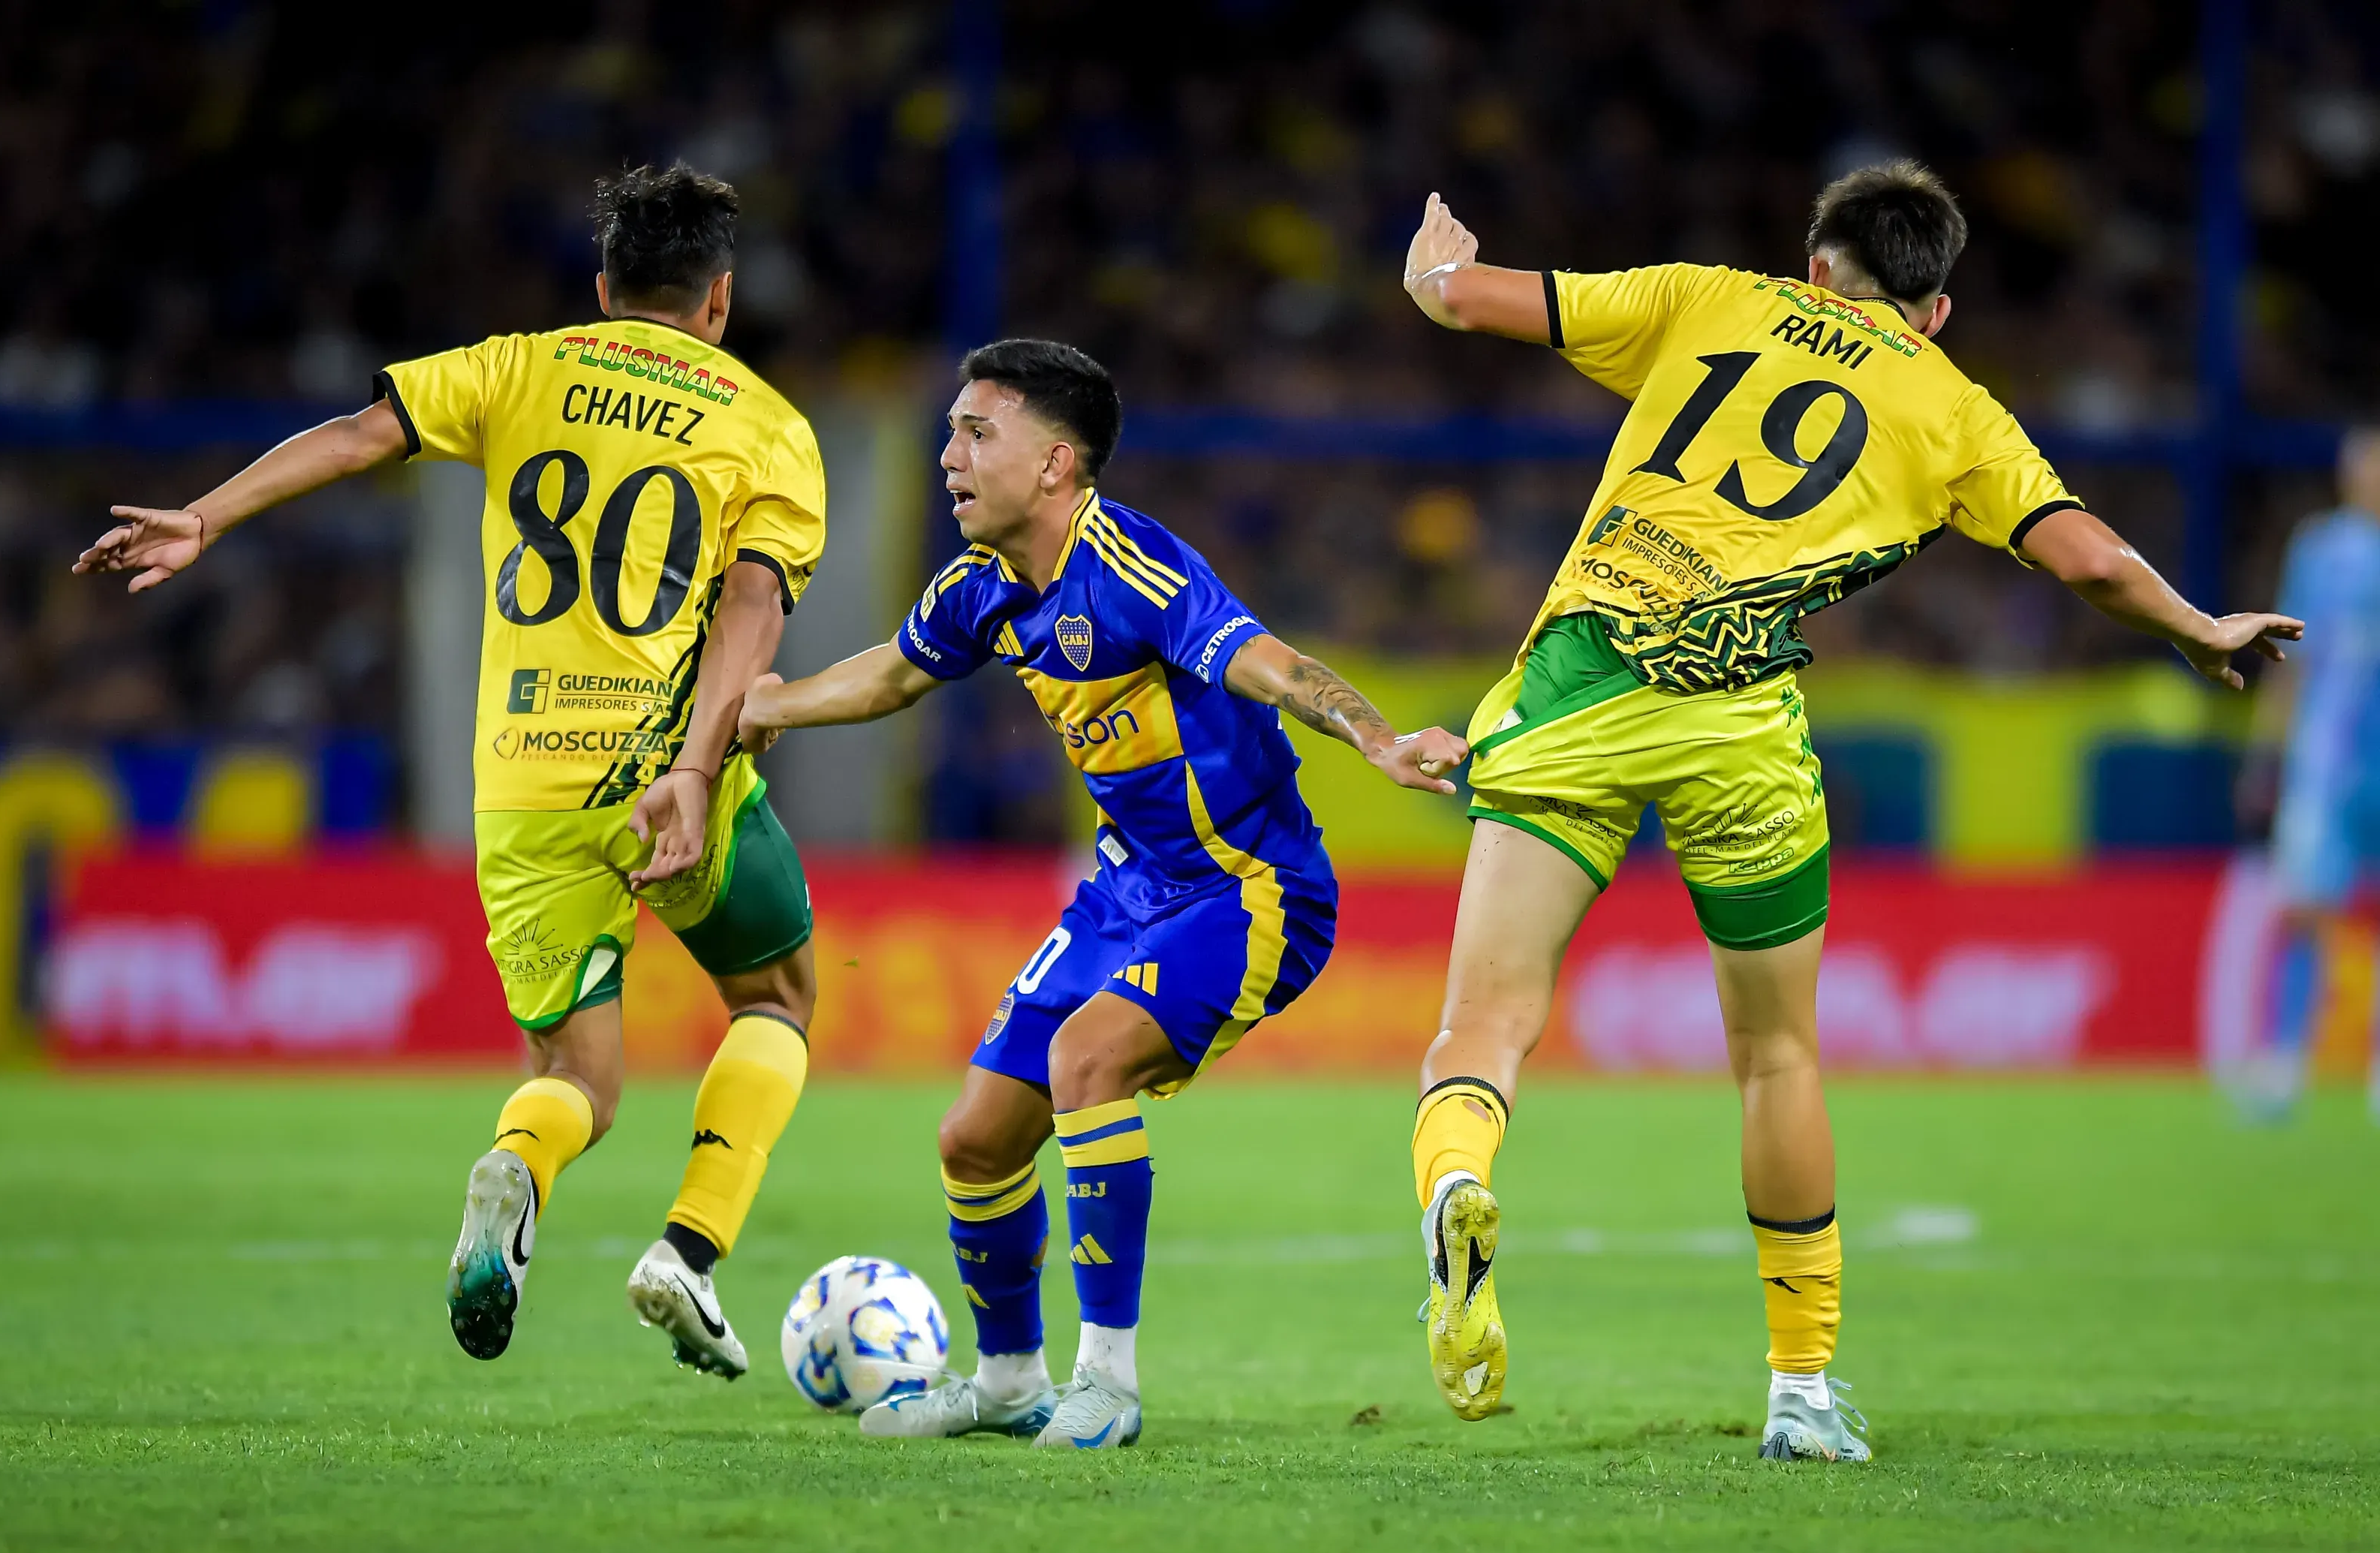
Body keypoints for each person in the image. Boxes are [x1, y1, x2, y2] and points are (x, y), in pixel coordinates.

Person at [1396, 161, 2300, 1460]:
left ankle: (1461, 1187)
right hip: (1739, 725)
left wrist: (1432, 259)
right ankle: (1803, 1392)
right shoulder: (1953, 408)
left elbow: (1466, 302)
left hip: (1575, 686)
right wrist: (2197, 626)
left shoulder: (1705, 299)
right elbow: (2090, 557)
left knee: (1480, 1025)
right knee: (1778, 1056)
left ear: (1817, 265)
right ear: (1937, 309)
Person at [74, 164, 827, 1380]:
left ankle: (518, 1169)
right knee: (778, 998)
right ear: (721, 302)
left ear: (601, 288)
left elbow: (359, 435)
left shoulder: (519, 365)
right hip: (660, 768)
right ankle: (689, 1249)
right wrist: (698, 764)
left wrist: (206, 517)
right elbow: (750, 611)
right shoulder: (768, 427)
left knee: (575, 1075)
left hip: (520, 782)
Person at [736, 339, 1467, 1449]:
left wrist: (1372, 734)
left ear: (1056, 464)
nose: (949, 456)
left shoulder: (1136, 568)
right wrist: (777, 704)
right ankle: (1008, 1378)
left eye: (978, 433)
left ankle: (1108, 1385)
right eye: (950, 432)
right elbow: (892, 670)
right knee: (975, 1138)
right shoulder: (981, 585)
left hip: (1249, 887)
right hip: (1127, 889)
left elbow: (1272, 664)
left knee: (1088, 1058)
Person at [2236, 428, 2380, 1120]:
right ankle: (2283, 1062)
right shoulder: (2323, 550)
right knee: (2305, 912)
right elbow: (2290, 662)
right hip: (2326, 767)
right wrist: (2267, 755)